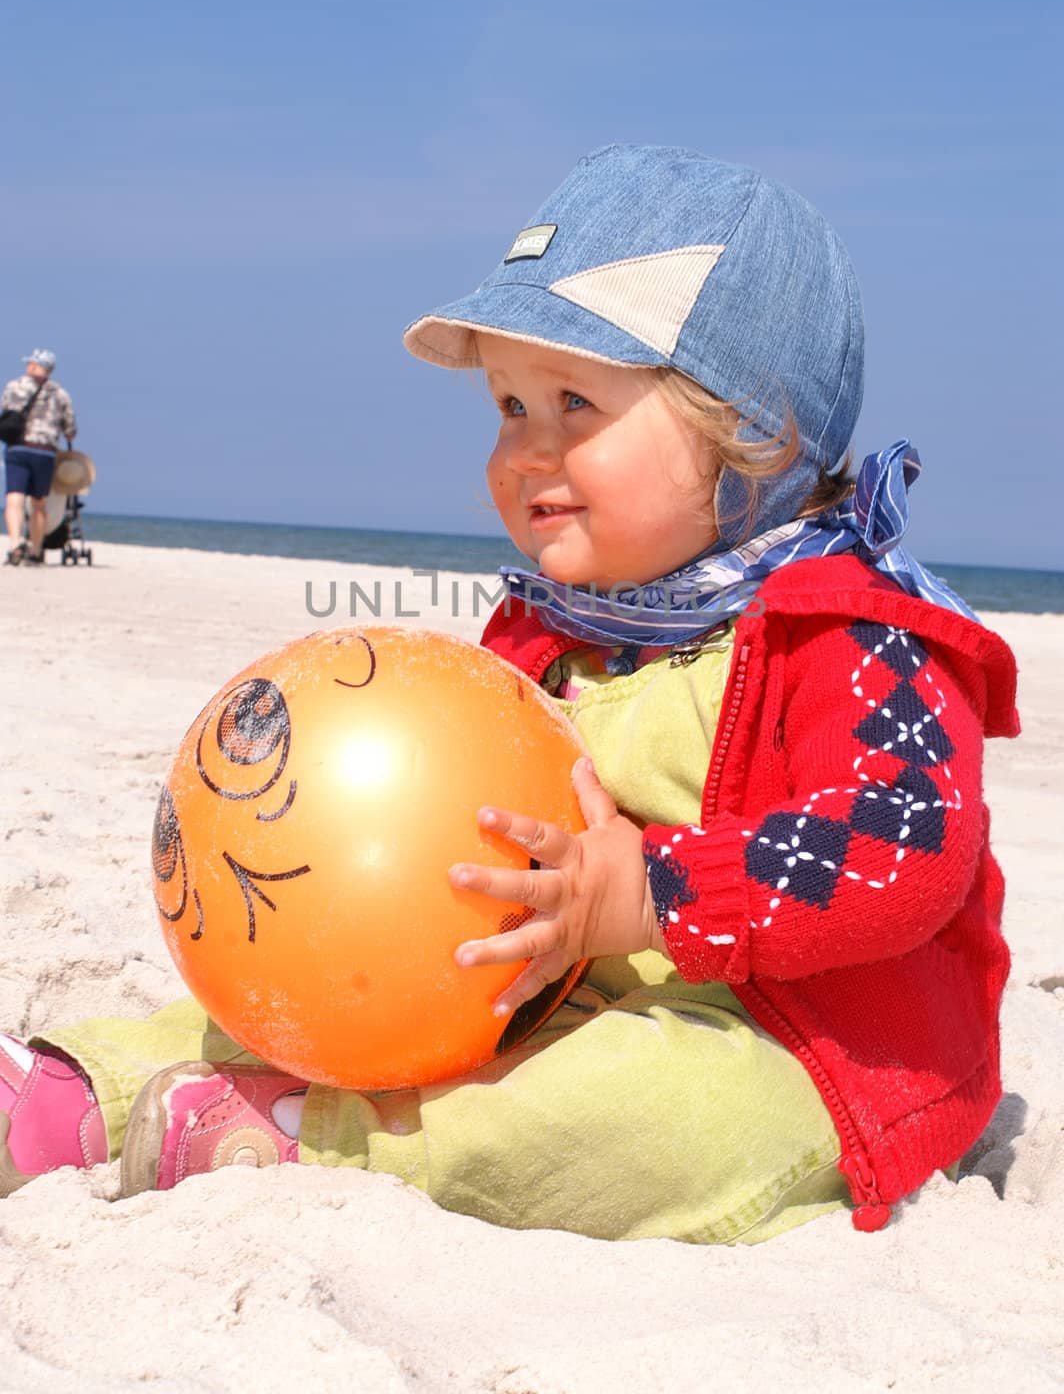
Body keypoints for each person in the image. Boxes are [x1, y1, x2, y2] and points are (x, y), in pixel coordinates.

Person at [0, 147, 1019, 1243]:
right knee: (313, 1004)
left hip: (798, 1032)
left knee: (672, 1110)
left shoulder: (852, 630)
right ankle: (78, 1095)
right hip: (557, 984)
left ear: (752, 432)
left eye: (573, 402)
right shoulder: (553, 630)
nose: (521, 451)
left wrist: (657, 891)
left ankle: (311, 1141)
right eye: (506, 405)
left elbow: (908, 845)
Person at [2, 348, 78, 566]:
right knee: (39, 503)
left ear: (35, 365)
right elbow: (70, 429)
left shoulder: (14, 386)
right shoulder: (60, 394)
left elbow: (6, 410)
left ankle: (16, 544)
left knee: (13, 499)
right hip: (44, 452)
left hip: (17, 448)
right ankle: (36, 550)